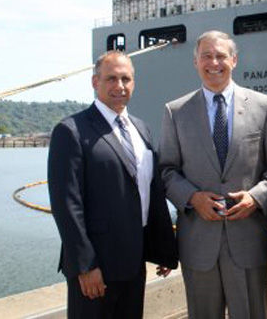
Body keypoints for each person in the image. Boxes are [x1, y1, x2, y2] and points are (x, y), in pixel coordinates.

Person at [159, 30, 267, 319]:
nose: (213, 62)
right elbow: (167, 170)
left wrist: (257, 198)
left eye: (221, 56)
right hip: (198, 243)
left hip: (247, 240)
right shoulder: (176, 112)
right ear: (195, 62)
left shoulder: (264, 106)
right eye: (206, 56)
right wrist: (192, 198)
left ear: (234, 60)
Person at [48, 51, 178, 319]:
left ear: (134, 83)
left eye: (125, 79)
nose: (119, 86)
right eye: (111, 79)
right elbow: (67, 205)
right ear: (95, 82)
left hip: (134, 262)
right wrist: (86, 266)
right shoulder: (71, 131)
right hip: (97, 266)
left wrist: (164, 249)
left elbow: (150, 193)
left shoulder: (141, 129)